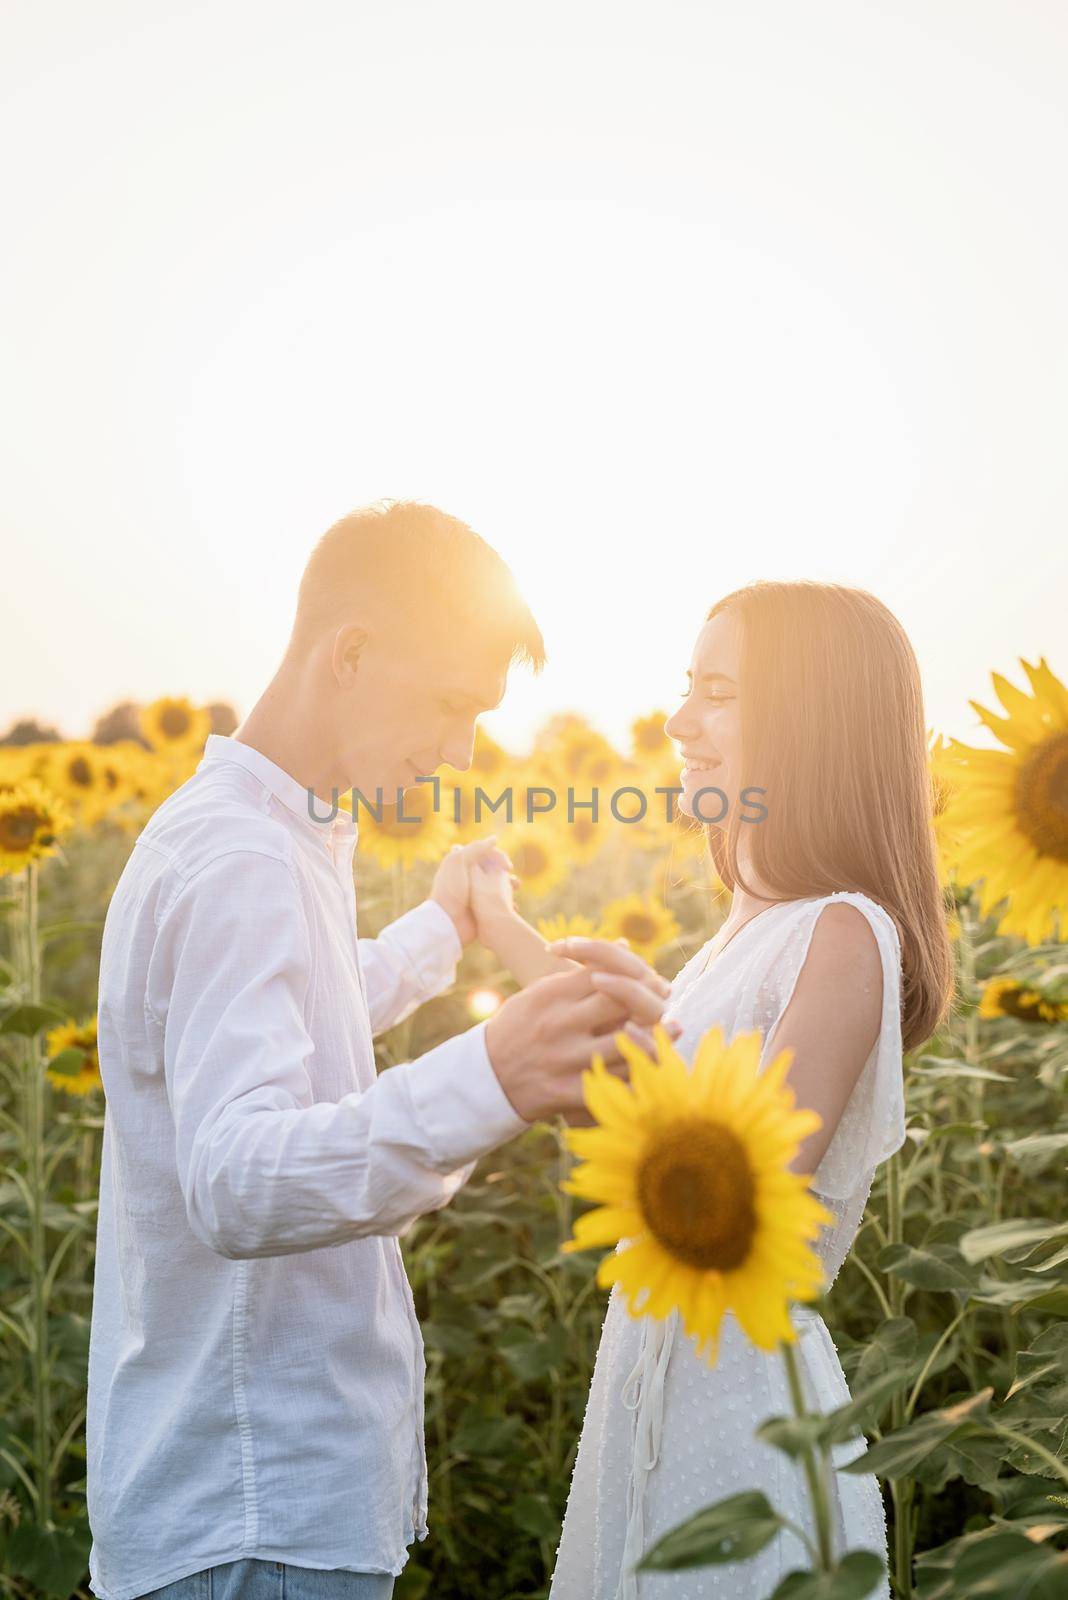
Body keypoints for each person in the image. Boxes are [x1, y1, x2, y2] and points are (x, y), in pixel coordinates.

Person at [86, 501, 675, 1600]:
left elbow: (282, 1020)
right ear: (350, 652)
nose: (460, 753)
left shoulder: (260, 834)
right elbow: (235, 1178)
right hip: (255, 1520)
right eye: (453, 705)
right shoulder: (243, 862)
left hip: (246, 1508)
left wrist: (438, 935)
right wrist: (486, 1078)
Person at [469, 580, 954, 1600]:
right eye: (687, 687)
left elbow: (748, 1180)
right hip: (652, 1389)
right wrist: (510, 935)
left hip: (746, 1425)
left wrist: (643, 1022)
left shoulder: (841, 931)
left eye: (718, 693)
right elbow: (651, 1109)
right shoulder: (740, 933)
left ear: (811, 720)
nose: (679, 721)